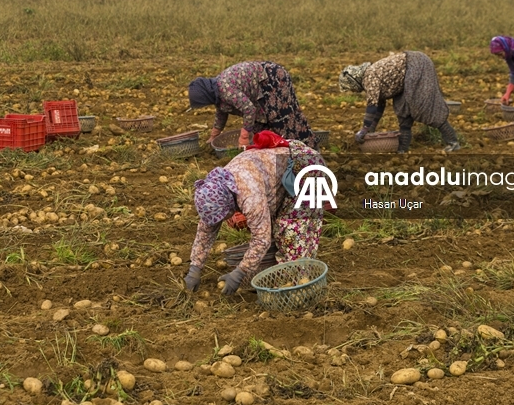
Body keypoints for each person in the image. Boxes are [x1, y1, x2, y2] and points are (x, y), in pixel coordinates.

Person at [184, 132, 325, 294]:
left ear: (230, 201)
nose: (222, 221)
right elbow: (206, 229)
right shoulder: (214, 190)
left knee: (292, 231)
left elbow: (261, 239)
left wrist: (240, 272)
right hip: (277, 169)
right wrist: (195, 268)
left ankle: (299, 284)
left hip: (305, 168)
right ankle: (278, 267)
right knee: (275, 228)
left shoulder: (249, 195)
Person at [337, 51, 459, 152]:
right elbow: (379, 104)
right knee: (403, 112)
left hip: (416, 66)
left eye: (351, 88)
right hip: (405, 78)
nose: (353, 91)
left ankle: (453, 142)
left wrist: (364, 128)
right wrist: (371, 127)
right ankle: (402, 149)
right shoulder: (370, 77)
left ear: (354, 80)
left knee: (424, 109)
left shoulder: (369, 76)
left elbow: (372, 106)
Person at [188, 61, 316, 148]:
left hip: (272, 79)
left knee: (283, 120)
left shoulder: (225, 89)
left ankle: (307, 150)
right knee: (259, 131)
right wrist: (213, 136)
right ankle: (279, 153)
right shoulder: (215, 91)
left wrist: (244, 136)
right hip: (260, 87)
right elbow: (221, 113)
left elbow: (249, 109)